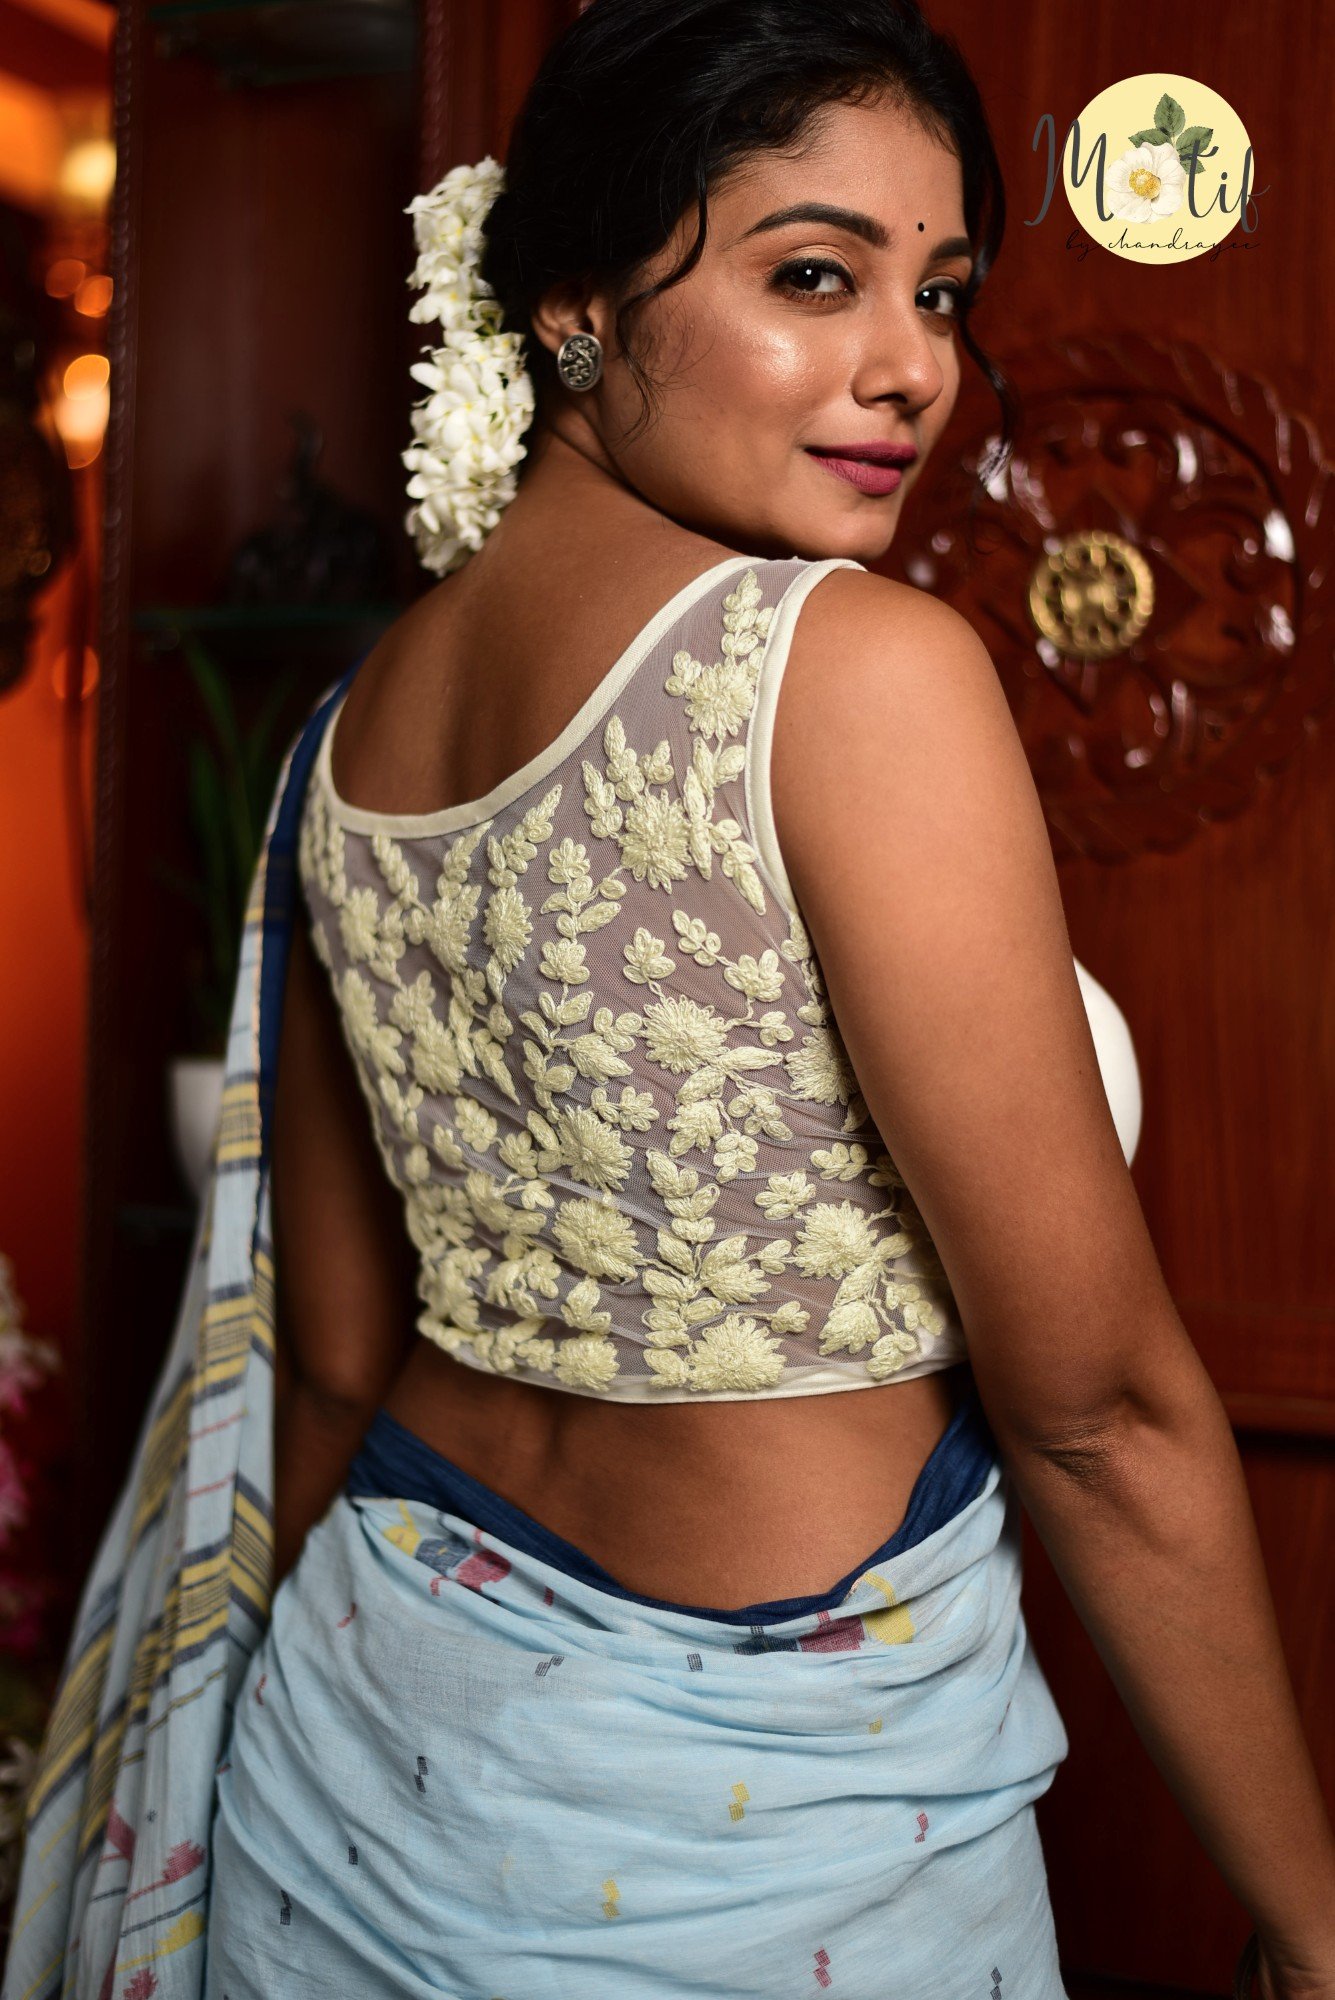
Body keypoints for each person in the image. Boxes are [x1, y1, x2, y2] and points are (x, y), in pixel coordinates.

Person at [7, 3, 1334, 1997]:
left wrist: (184, 1767)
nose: (913, 366)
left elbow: (333, 1361)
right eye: (813, 276)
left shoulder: (346, 733)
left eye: (939, 290)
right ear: (571, 310)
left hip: (357, 1740)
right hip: (761, 1815)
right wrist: (1311, 1921)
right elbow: (1100, 1420)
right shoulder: (850, 671)